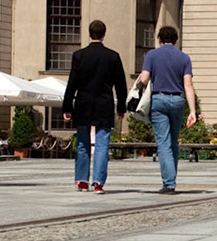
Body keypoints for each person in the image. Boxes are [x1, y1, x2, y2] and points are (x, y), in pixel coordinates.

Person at [61, 18, 126, 193]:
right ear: (104, 35)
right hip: (104, 104)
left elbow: (72, 83)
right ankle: (98, 182)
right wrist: (121, 107)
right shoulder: (113, 56)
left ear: (89, 34)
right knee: (102, 145)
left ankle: (82, 180)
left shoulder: (79, 56)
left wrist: (67, 107)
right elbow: (121, 84)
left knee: (82, 143)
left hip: (83, 103)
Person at [137, 24, 197, 194]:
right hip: (178, 100)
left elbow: (144, 78)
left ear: (160, 39)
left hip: (159, 99)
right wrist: (192, 111)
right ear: (175, 40)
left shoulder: (152, 55)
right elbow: (188, 84)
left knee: (163, 144)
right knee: (173, 142)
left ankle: (169, 183)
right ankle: (172, 178)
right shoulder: (184, 58)